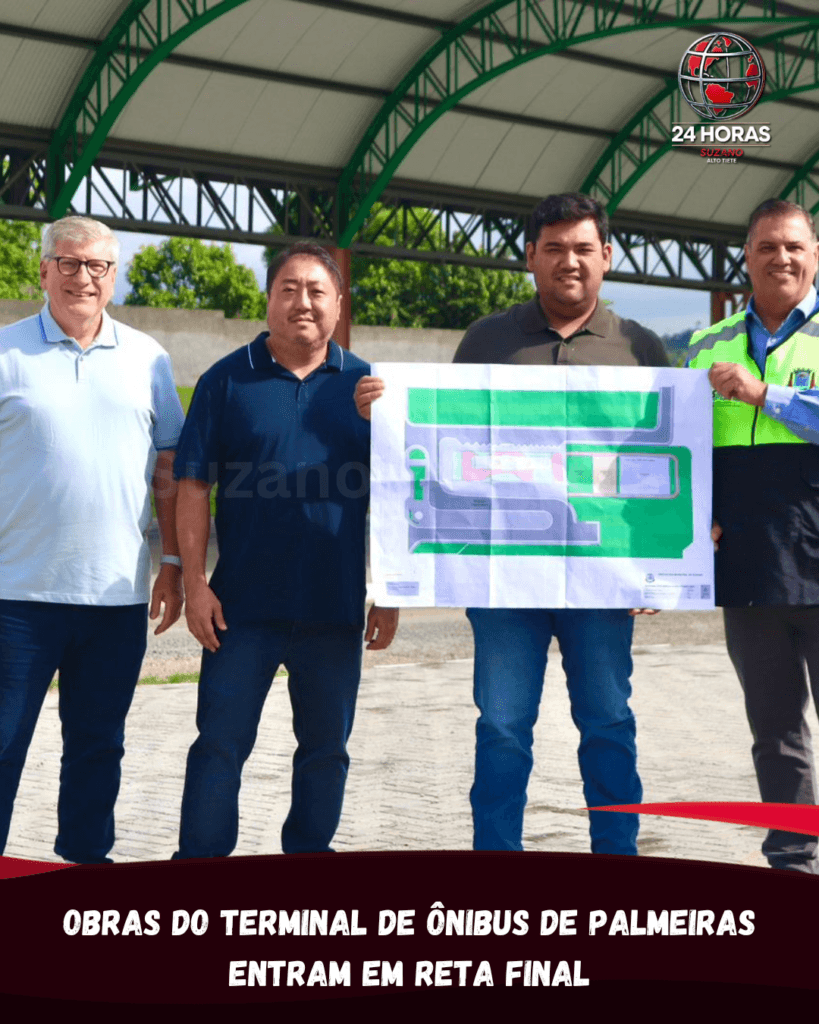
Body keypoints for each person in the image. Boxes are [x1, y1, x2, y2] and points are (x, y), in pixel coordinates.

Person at [355, 192, 668, 854]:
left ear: (606, 256)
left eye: (583, 248)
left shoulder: (639, 347)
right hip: (501, 581)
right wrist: (384, 413)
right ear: (529, 257)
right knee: (501, 725)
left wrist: (661, 563)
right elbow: (442, 441)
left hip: (601, 579)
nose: (569, 261)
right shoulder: (487, 339)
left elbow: (663, 460)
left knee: (608, 721)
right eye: (552, 248)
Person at [173, 241, 398, 858]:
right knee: (219, 744)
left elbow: (403, 494)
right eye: (289, 289)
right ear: (268, 298)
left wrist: (392, 591)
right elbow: (192, 484)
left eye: (317, 291)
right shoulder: (225, 379)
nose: (303, 302)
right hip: (239, 609)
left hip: (334, 607)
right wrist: (195, 582)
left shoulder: (370, 388)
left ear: (339, 304)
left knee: (326, 751)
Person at [0, 216, 184, 864]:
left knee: (98, 747)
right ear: (44, 270)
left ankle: (83, 875)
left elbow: (170, 469)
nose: (84, 277)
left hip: (114, 599)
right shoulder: (5, 352)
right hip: (15, 598)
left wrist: (171, 561)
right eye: (70, 264)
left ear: (114, 276)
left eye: (97, 267)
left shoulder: (149, 360)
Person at [688, 198, 819, 874]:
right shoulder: (705, 348)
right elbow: (678, 453)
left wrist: (763, 394)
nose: (781, 257)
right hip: (750, 571)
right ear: (747, 257)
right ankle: (791, 862)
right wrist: (688, 521)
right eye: (767, 246)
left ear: (815, 255)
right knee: (773, 733)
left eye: (794, 245)